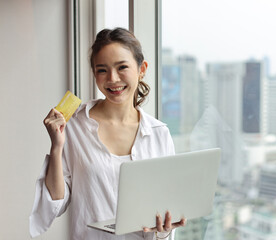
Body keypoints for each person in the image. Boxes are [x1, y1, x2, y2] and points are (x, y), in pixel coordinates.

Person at [29, 27, 186, 240]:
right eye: (102, 70)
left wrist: (165, 229)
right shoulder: (73, 125)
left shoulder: (159, 134)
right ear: (94, 73)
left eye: (122, 67)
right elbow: (55, 203)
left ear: (142, 69)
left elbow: (164, 217)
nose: (112, 79)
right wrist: (56, 146)